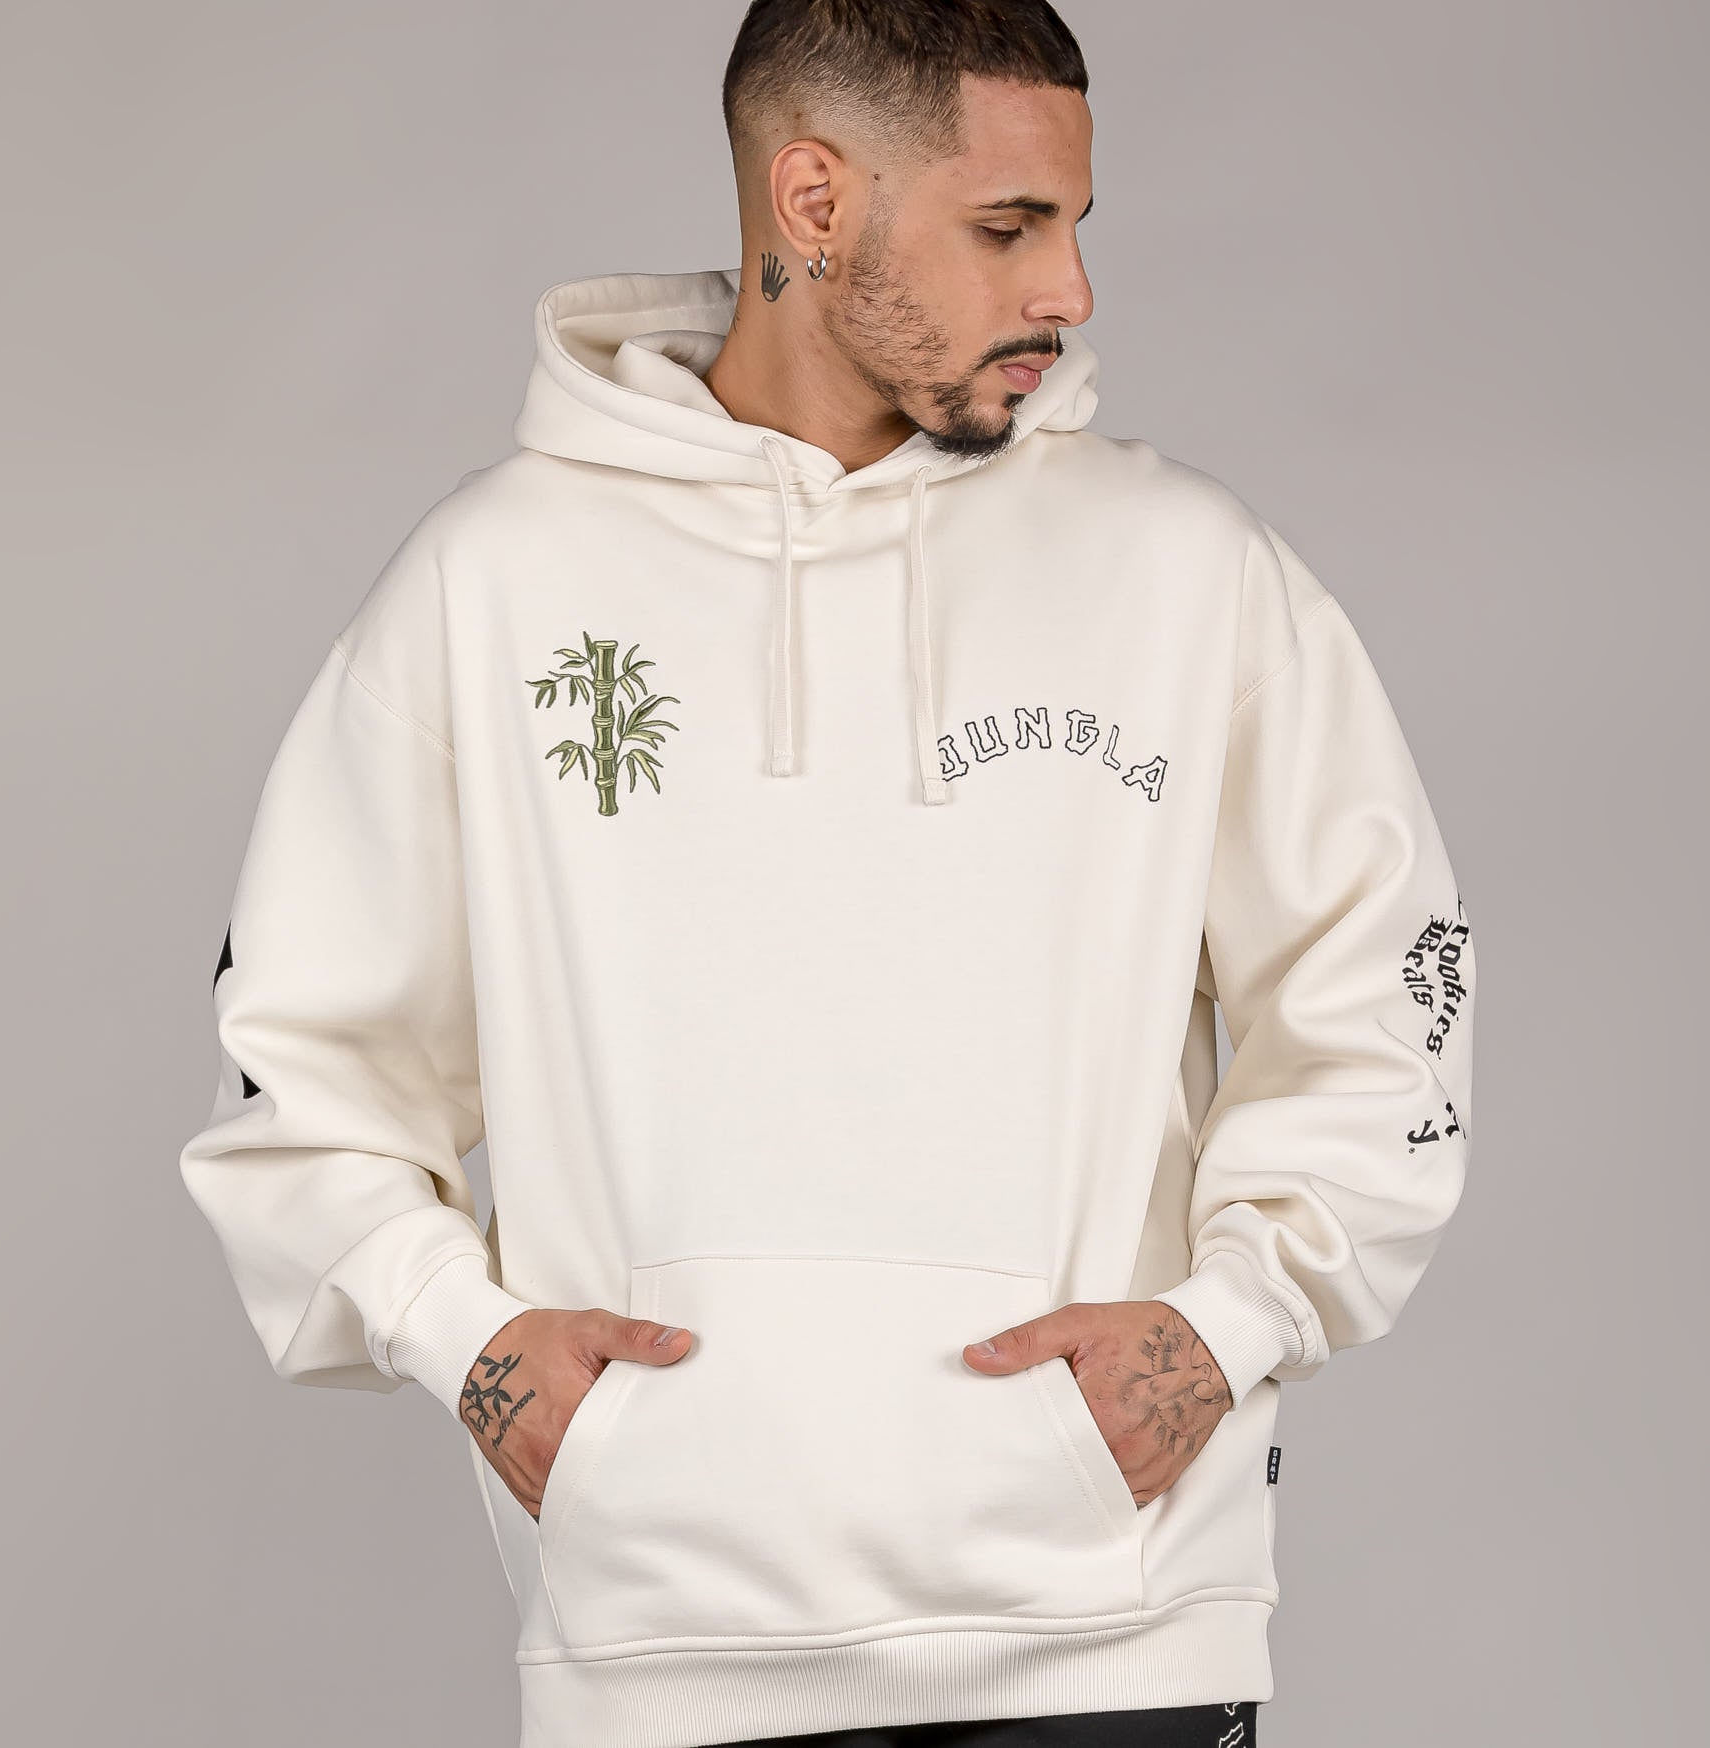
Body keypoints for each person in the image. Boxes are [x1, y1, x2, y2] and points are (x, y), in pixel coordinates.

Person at [177, 3, 1476, 1746]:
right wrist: (464, 1345)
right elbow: (297, 1069)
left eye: (1074, 225)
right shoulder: (494, 582)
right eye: (1008, 227)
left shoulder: (1190, 573)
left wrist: (1226, 1328)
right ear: (812, 200)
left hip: (1118, 1633)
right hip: (664, 1642)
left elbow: (1390, 994)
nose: (1070, 290)